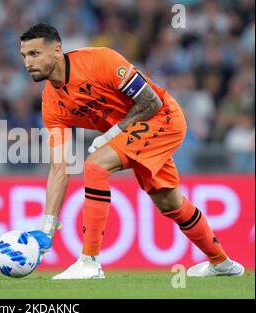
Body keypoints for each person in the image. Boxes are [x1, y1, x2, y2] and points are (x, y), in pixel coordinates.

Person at [19, 23, 244, 279]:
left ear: (57, 51)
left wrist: (113, 133)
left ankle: (89, 261)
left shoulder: (100, 60)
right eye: (24, 56)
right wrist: (47, 229)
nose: (28, 62)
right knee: (169, 202)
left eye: (34, 54)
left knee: (95, 165)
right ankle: (222, 263)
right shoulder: (51, 104)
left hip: (162, 118)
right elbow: (58, 168)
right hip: (134, 135)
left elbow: (151, 101)